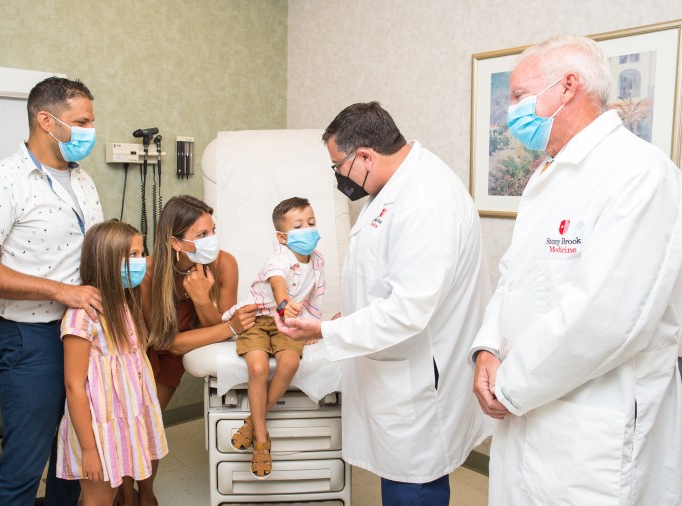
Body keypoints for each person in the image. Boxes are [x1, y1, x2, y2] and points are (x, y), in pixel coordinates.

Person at [470, 35, 682, 505]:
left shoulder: (639, 174)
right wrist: (486, 349)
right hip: (526, 403)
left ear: (567, 86)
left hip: (592, 424)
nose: (511, 112)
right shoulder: (547, 174)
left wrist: (510, 384)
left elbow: (607, 318)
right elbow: (513, 276)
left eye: (521, 97)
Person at [274, 102, 490, 505]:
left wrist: (325, 329)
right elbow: (388, 279)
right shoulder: (396, 187)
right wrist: (351, 312)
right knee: (402, 482)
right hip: (397, 371)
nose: (338, 176)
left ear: (366, 157)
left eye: (338, 166)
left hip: (418, 382)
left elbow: (408, 309)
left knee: (414, 487)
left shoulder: (424, 202)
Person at [0, 76, 103, 506]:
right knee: (22, 469)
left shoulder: (83, 180)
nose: (90, 131)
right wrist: (62, 291)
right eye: (82, 121)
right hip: (30, 338)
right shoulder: (0, 182)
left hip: (81, 333)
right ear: (46, 120)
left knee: (71, 459)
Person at [117, 195, 256, 506]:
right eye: (202, 235)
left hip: (190, 342)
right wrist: (229, 325)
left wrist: (202, 300)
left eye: (213, 231)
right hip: (146, 347)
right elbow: (163, 341)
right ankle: (127, 494)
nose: (212, 241)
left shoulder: (224, 264)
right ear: (175, 242)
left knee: (150, 422)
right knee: (134, 419)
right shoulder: (149, 274)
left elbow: (218, 333)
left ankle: (147, 493)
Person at [59, 220, 167, 505]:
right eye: (131, 255)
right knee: (99, 498)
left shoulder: (123, 305)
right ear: (106, 261)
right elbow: (74, 386)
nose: (140, 261)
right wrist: (89, 450)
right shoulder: (83, 316)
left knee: (112, 492)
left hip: (125, 419)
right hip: (97, 429)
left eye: (141, 253)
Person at [226, 196, 325, 479]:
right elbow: (278, 282)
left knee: (290, 363)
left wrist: (313, 327)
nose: (308, 229)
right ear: (282, 236)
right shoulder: (277, 258)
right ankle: (261, 439)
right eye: (299, 225)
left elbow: (316, 295)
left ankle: (252, 421)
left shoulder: (318, 261)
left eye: (312, 223)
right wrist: (283, 304)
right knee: (257, 368)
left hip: (290, 321)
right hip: (258, 318)